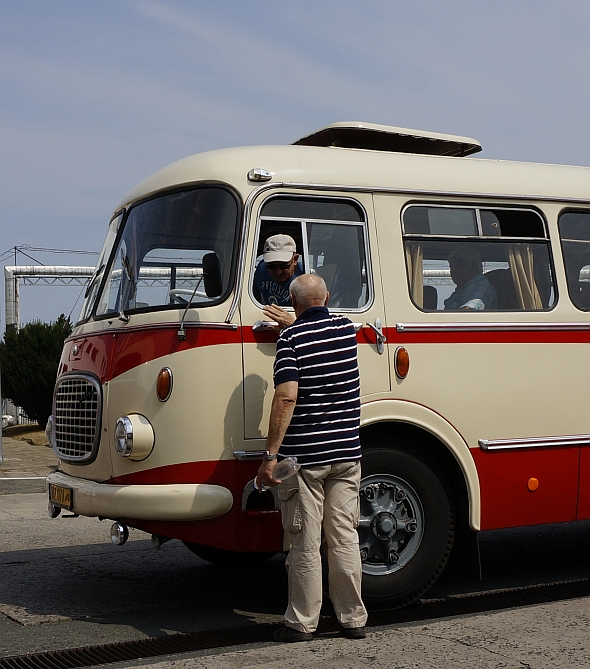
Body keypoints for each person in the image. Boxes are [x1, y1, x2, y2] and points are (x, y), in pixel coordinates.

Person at [256, 273, 367, 643]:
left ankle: (303, 622)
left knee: (304, 540)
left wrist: (270, 455)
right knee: (344, 537)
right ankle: (353, 619)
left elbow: (286, 397)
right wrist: (298, 320)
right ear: (327, 297)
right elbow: (316, 325)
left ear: (292, 302)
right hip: (347, 454)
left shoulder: (291, 339)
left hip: (306, 460)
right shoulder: (345, 330)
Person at [253, 234, 304, 307]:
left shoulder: (304, 280)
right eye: (271, 266)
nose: (278, 272)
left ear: (295, 259)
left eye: (284, 266)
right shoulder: (261, 269)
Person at [444, 246, 497, 310]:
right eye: (452, 268)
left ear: (474, 266)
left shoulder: (480, 285)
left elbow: (469, 311)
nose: (453, 271)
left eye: (459, 265)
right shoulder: (463, 289)